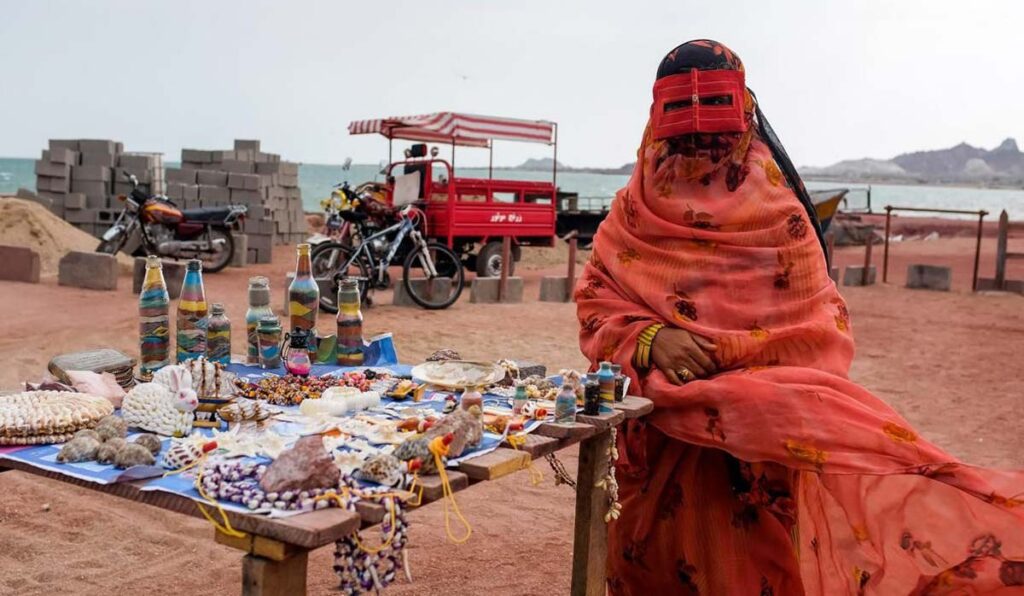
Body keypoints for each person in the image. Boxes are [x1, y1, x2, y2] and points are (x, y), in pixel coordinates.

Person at [576, 39, 1024, 595]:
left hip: (754, 459)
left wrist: (736, 380)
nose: (697, 145)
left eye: (711, 126)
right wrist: (650, 340)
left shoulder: (778, 212)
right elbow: (596, 302)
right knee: (650, 567)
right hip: (658, 439)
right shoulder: (634, 204)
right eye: (681, 126)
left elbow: (817, 333)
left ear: (742, 112)